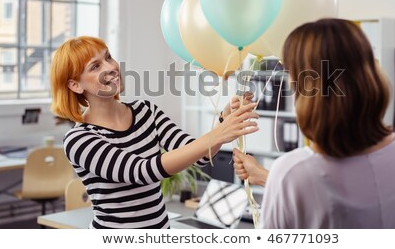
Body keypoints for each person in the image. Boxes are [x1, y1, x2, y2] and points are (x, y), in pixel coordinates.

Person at [50, 36, 258, 229]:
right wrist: (219, 133)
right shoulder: (79, 139)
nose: (111, 67)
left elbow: (200, 157)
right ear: (75, 85)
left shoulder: (145, 110)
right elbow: (143, 172)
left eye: (108, 57)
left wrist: (223, 119)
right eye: (95, 66)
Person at [233, 18, 395, 228]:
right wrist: (269, 178)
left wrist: (277, 181)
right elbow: (345, 192)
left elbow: (314, 187)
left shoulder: (292, 172)